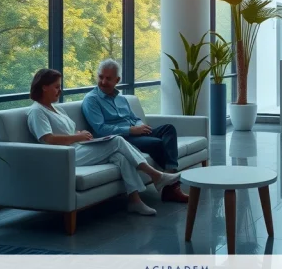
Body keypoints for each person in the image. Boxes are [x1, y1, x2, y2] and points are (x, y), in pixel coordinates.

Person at [27, 69, 179, 216]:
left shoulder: (55, 108)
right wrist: (77, 137)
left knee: (121, 156)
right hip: (64, 156)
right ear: (44, 87)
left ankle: (135, 201)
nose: (60, 91)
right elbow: (48, 139)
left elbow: (65, 132)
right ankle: (156, 176)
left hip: (77, 148)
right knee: (117, 140)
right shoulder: (37, 111)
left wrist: (78, 134)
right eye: (56, 87)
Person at [82, 59, 189, 203]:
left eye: (108, 78)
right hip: (119, 138)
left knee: (168, 129)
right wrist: (131, 130)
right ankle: (172, 186)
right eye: (101, 77)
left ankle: (169, 177)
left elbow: (134, 117)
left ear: (117, 80)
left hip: (135, 131)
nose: (103, 81)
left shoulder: (121, 99)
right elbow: (100, 130)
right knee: (157, 143)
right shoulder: (91, 100)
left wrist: (140, 126)